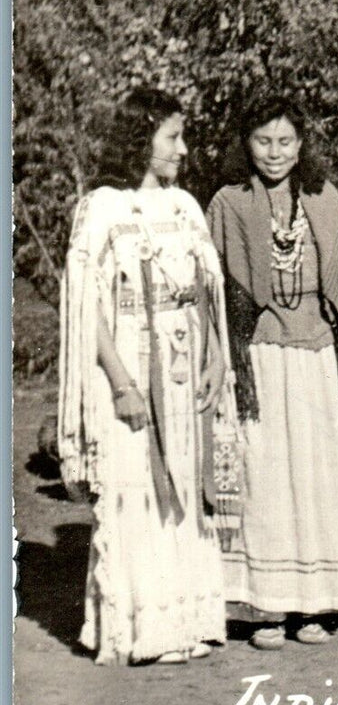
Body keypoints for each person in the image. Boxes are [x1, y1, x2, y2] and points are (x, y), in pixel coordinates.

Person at [58, 88, 238, 665]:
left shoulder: (186, 206)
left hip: (186, 364)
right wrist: (120, 382)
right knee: (137, 486)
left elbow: (208, 295)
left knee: (184, 482)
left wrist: (214, 359)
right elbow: (87, 310)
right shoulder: (101, 208)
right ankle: (141, 630)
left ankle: (188, 622)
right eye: (171, 137)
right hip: (132, 366)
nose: (183, 149)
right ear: (141, 140)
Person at [207, 96, 338, 650]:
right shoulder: (228, 203)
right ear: (245, 145)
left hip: (320, 356)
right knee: (269, 478)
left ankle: (315, 606)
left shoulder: (324, 200)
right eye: (263, 141)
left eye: (285, 141)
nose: (274, 153)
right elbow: (218, 288)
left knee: (319, 476)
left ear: (302, 146)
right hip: (261, 358)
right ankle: (270, 609)